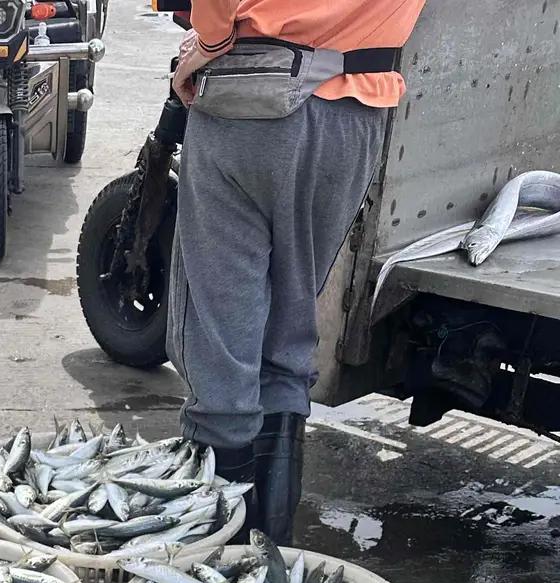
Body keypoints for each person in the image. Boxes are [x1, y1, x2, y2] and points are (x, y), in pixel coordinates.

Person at [166, 0, 427, 542]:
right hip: (356, 116)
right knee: (289, 327)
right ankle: (268, 555)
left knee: (221, 337)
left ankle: (215, 564)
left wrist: (205, 45)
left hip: (251, 104)